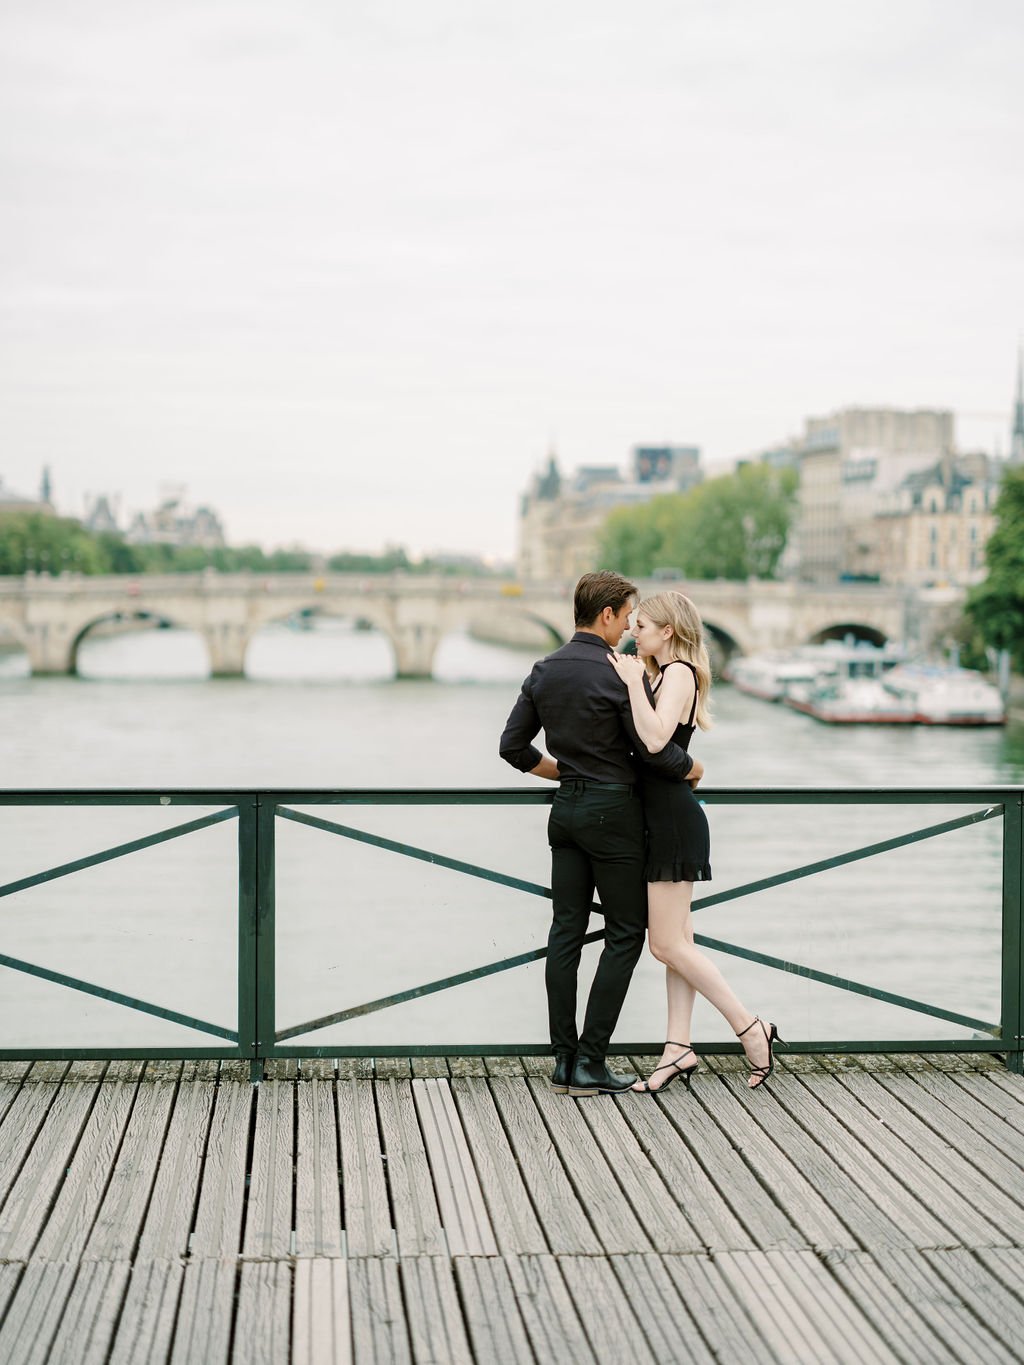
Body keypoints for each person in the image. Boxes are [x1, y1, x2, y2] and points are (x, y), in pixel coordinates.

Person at [499, 571, 701, 1097]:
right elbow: (650, 752)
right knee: (626, 933)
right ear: (607, 614)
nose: (630, 628)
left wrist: (563, 773)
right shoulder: (618, 673)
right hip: (614, 815)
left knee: (565, 931)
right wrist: (692, 768)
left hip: (565, 813)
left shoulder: (545, 669)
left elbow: (513, 748)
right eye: (626, 616)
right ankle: (591, 1059)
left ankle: (563, 1061)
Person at [607, 591, 783, 1091]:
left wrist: (630, 684)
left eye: (642, 626)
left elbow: (657, 739)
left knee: (664, 944)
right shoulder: (658, 675)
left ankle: (751, 1028)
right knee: (679, 943)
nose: (633, 632)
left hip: (672, 821)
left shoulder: (679, 673)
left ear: (667, 631)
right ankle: (677, 1049)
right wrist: (637, 680)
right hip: (661, 816)